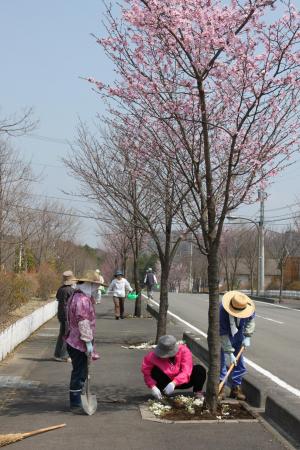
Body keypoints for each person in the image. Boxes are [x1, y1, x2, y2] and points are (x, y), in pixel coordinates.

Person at [65, 274, 101, 413]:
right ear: (87, 285)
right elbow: (83, 321)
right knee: (79, 372)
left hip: (74, 340)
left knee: (81, 371)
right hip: (78, 341)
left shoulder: (77, 296)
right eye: (93, 285)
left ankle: (77, 399)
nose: (95, 288)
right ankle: (75, 402)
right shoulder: (82, 300)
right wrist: (87, 342)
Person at [141, 335, 206, 400]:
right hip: (165, 382)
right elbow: (146, 373)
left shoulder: (184, 351)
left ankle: (198, 392)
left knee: (199, 369)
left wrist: (174, 383)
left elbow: (186, 371)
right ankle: (160, 393)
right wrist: (152, 386)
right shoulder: (151, 356)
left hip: (184, 381)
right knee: (154, 370)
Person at [219, 290, 255, 400]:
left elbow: (250, 321)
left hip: (239, 335)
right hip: (224, 335)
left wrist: (248, 335)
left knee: (239, 363)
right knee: (223, 362)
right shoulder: (222, 311)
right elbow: (223, 332)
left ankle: (236, 388)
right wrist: (229, 352)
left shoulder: (248, 308)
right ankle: (221, 387)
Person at [53, 270, 77, 362]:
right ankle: (64, 355)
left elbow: (58, 298)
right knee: (67, 335)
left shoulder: (60, 289)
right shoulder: (71, 290)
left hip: (61, 314)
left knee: (62, 334)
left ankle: (57, 354)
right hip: (68, 315)